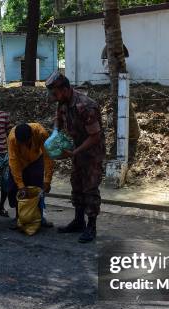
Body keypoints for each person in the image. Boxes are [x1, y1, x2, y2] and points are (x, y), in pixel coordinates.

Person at [45, 72, 105, 243]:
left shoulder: (86, 106)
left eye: (55, 93)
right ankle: (79, 221)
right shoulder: (63, 102)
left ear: (65, 89)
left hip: (92, 152)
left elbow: (95, 136)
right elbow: (58, 118)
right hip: (77, 149)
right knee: (76, 185)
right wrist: (55, 132)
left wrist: (76, 152)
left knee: (90, 189)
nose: (53, 97)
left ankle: (91, 227)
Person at [7, 123, 54, 227]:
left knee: (38, 189)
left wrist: (47, 180)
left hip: (35, 160)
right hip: (19, 162)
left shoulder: (41, 133)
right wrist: (21, 186)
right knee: (13, 189)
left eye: (25, 142)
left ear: (31, 136)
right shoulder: (12, 139)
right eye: (20, 143)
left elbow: (48, 156)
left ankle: (40, 218)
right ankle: (19, 218)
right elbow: (13, 162)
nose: (23, 145)